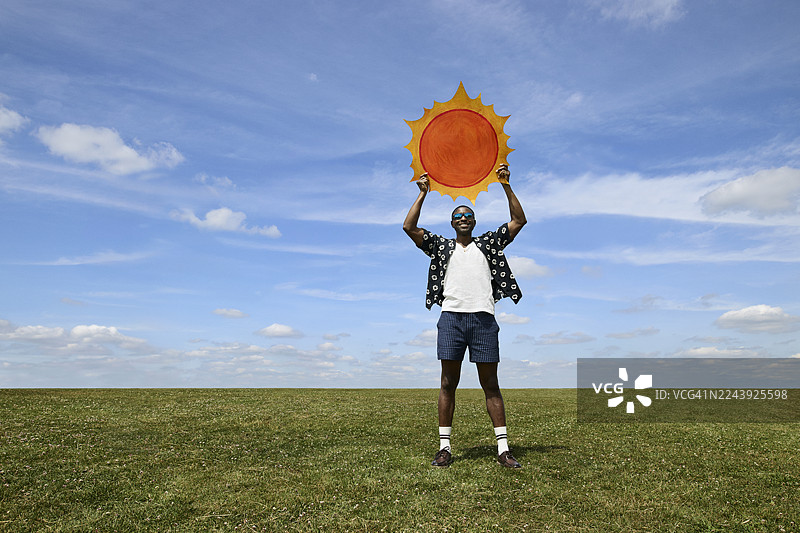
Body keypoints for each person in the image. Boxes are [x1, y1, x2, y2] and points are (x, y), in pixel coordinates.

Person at [403, 164, 527, 468]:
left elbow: (518, 221)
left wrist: (505, 185)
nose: (463, 219)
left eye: (468, 215)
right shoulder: (440, 246)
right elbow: (409, 227)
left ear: (474, 221)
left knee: (491, 384)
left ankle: (503, 449)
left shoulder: (488, 244)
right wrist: (422, 194)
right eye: (458, 216)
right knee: (448, 382)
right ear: (451, 222)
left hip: (483, 319)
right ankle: (444, 448)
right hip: (451, 319)